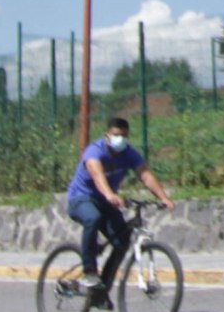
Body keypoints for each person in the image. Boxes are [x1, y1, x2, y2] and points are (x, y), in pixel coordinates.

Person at [64, 116, 172, 301]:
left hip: (107, 202)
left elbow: (145, 175)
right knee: (92, 218)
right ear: (107, 135)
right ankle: (89, 271)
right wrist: (109, 194)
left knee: (122, 241)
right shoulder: (95, 151)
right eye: (116, 135)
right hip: (82, 198)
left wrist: (163, 198)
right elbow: (97, 175)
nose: (120, 139)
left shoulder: (129, 153)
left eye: (124, 136)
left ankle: (100, 293)